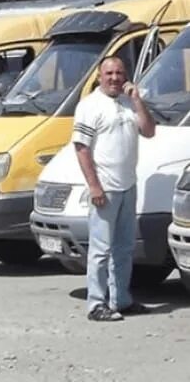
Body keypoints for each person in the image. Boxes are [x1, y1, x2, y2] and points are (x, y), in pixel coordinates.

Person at [73, 56, 155, 322]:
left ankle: (121, 299)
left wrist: (137, 100)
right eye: (109, 73)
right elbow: (82, 148)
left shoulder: (128, 103)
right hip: (105, 190)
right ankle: (96, 303)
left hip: (128, 186)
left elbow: (149, 131)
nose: (115, 78)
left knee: (123, 248)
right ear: (100, 76)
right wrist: (94, 186)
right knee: (100, 250)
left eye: (119, 73)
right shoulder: (89, 106)